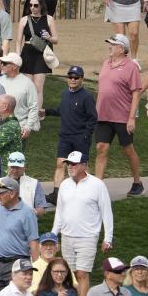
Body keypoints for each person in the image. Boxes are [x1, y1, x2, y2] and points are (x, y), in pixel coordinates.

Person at [51, 151, 114, 296]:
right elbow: (59, 212)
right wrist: (53, 235)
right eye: (69, 164)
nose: (70, 167)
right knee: (69, 275)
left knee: (82, 273)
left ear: (84, 165)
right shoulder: (65, 184)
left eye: (74, 164)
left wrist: (108, 238)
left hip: (88, 236)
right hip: (66, 236)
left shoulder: (97, 185)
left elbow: (106, 211)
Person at [96, 33, 144, 195]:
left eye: (113, 44)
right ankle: (98, 187)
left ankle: (137, 182)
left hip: (122, 117)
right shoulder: (105, 63)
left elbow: (136, 93)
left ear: (122, 49)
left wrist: (132, 118)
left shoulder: (131, 67)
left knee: (128, 149)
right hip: (103, 115)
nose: (110, 46)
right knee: (101, 147)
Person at [42, 65, 97, 205]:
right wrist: (47, 112)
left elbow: (93, 119)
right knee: (60, 163)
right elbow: (62, 110)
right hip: (65, 136)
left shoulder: (87, 97)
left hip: (80, 137)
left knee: (81, 166)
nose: (72, 79)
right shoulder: (65, 93)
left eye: (76, 77)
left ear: (82, 79)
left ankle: (87, 192)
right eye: (70, 77)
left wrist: (86, 136)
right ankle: (56, 194)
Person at [0, 177, 39, 296]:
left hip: (17, 263)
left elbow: (34, 243)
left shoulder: (27, 213)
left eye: (1, 193)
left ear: (11, 194)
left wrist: (37, 272)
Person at [16, 0, 59, 109]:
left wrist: (49, 38)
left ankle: (37, 113)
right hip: (27, 54)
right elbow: (18, 41)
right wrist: (17, 56)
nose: (32, 8)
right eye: (30, 5)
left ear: (41, 6)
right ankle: (28, 111)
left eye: (35, 5)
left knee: (38, 87)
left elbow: (56, 40)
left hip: (41, 54)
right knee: (28, 87)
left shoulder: (49, 19)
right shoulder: (24, 20)